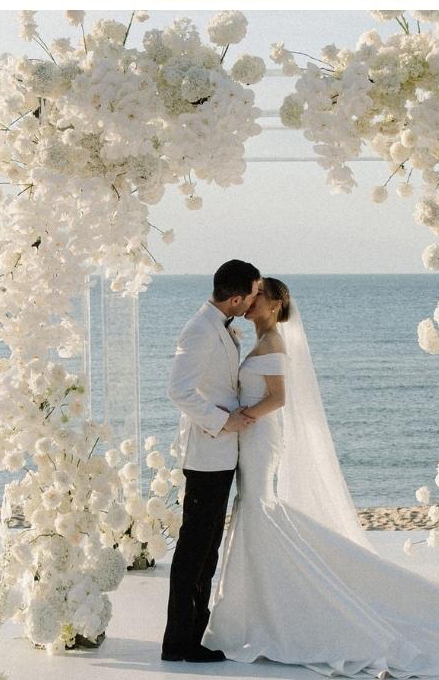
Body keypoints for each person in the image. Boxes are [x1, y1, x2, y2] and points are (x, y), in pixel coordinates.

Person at [202, 278, 439, 674]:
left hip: (259, 436)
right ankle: (258, 609)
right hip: (254, 437)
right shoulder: (261, 339)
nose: (252, 301)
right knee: (258, 509)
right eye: (251, 295)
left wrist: (243, 416)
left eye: (259, 296)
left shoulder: (272, 342)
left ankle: (269, 613)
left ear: (275, 305)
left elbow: (278, 397)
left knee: (257, 507)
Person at [162, 259, 262, 664]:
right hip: (206, 452)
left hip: (219, 454)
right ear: (235, 299)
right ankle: (178, 642)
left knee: (208, 548)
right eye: (252, 294)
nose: (254, 301)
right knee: (195, 548)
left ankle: (192, 634)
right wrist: (223, 421)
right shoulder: (199, 330)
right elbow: (178, 390)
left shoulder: (219, 326)